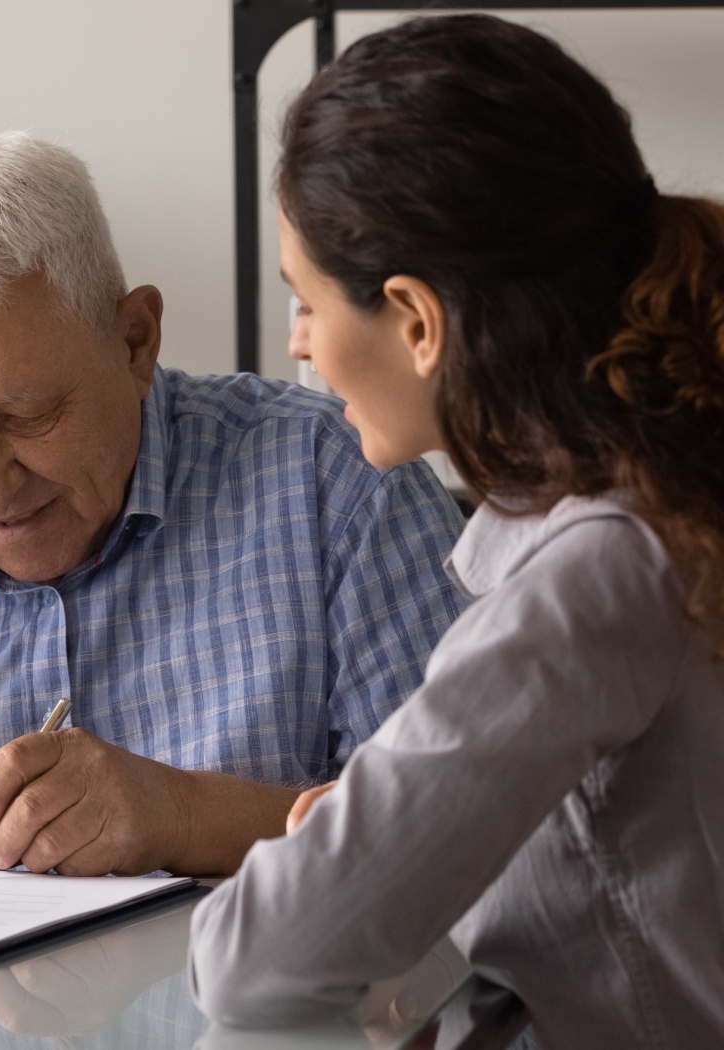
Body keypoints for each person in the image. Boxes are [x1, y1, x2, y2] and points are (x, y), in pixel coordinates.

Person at [187, 16, 724, 1047]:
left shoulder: (595, 576)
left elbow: (251, 964)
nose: (298, 347)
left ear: (417, 320)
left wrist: (329, 873)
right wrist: (363, 849)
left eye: (304, 303)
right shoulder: (661, 509)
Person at [0, 132, 469, 874]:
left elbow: (469, 834)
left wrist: (183, 816)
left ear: (135, 341)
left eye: (27, 416)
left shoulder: (335, 490)